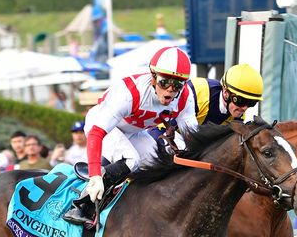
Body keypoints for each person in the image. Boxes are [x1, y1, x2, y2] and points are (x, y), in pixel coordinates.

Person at [63, 46, 198, 226]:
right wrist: (95, 175)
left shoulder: (185, 97)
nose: (170, 91)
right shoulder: (130, 92)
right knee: (131, 159)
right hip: (101, 127)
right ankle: (82, 205)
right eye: (164, 82)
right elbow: (96, 133)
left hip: (133, 132)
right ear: (153, 76)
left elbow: (193, 139)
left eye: (177, 85)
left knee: (157, 161)